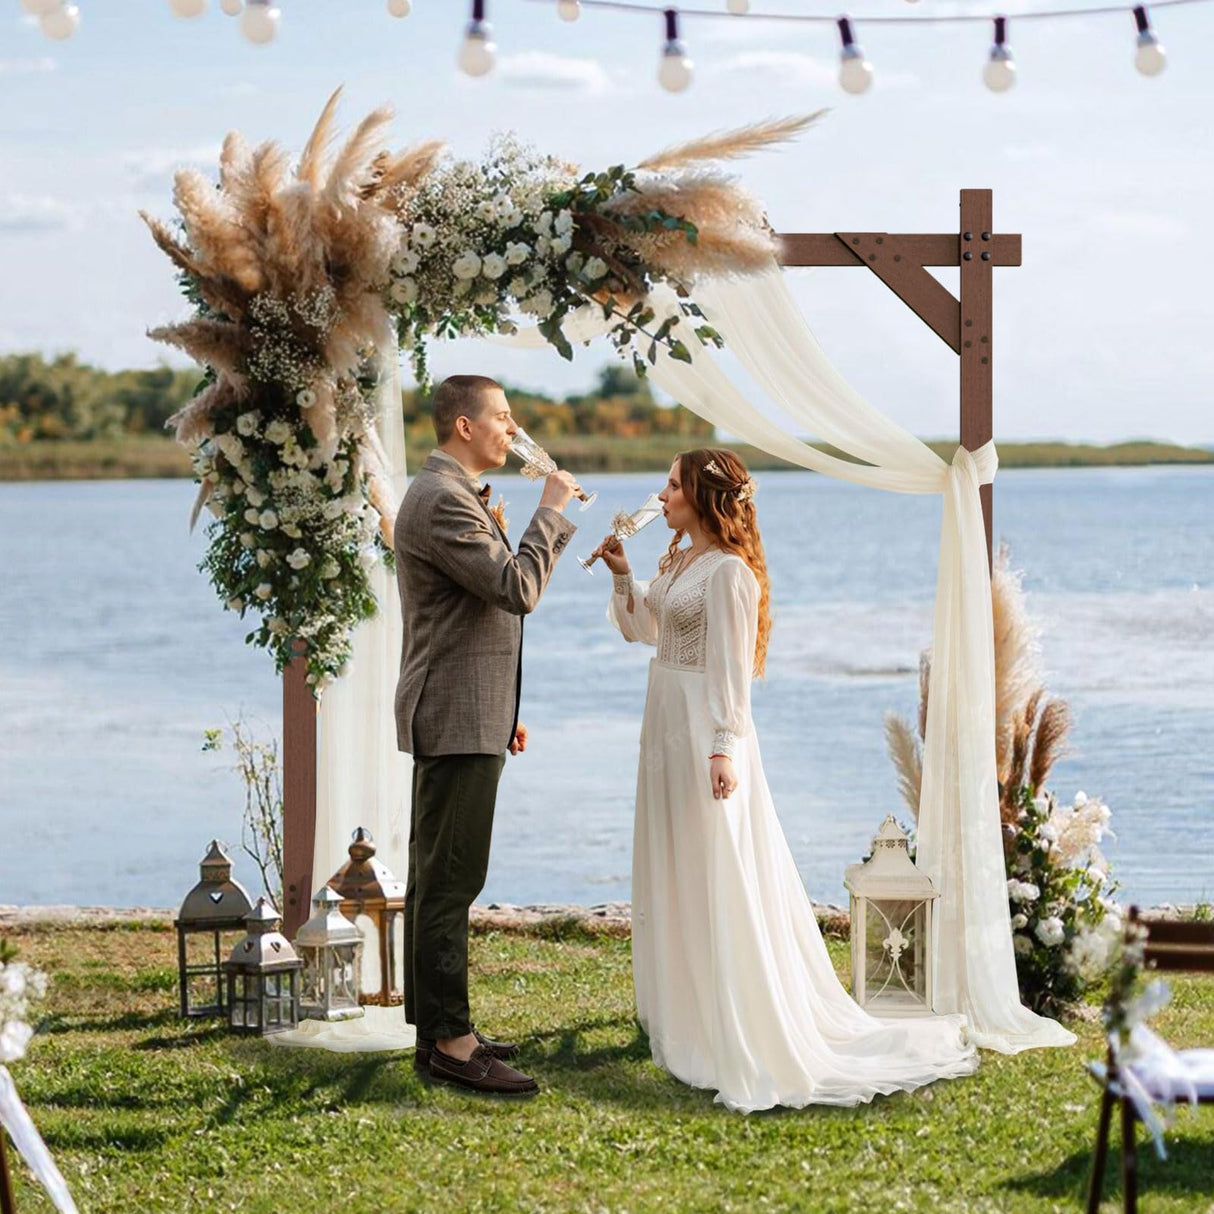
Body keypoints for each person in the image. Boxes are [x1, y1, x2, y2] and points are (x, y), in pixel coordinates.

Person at [591, 448, 978, 1112]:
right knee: (674, 860)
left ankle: (732, 1013)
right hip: (665, 726)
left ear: (702, 497)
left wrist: (722, 748)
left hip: (704, 733)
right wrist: (625, 574)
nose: (663, 495)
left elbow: (731, 671)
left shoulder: (730, 573)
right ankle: (682, 1007)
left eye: (674, 485)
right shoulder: (681, 561)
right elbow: (648, 631)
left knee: (716, 865)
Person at [394, 374, 579, 1094]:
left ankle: (434, 1032)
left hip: (467, 710)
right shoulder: (443, 498)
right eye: (502, 417)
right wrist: (550, 512)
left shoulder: (451, 492)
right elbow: (515, 589)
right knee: (451, 880)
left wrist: (504, 709)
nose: (513, 429)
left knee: (436, 877)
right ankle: (452, 1042)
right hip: (453, 716)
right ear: (465, 426)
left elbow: (468, 614)